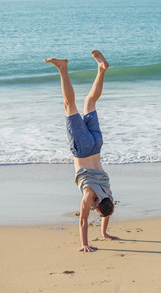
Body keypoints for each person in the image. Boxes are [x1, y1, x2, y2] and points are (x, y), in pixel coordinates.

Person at [44, 50, 117, 252]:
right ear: (96, 205)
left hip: (96, 145)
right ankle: (63, 68)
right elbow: (83, 220)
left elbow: (107, 211)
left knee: (90, 103)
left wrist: (104, 233)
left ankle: (101, 70)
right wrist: (84, 244)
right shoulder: (90, 195)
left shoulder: (108, 192)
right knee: (70, 106)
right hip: (83, 148)